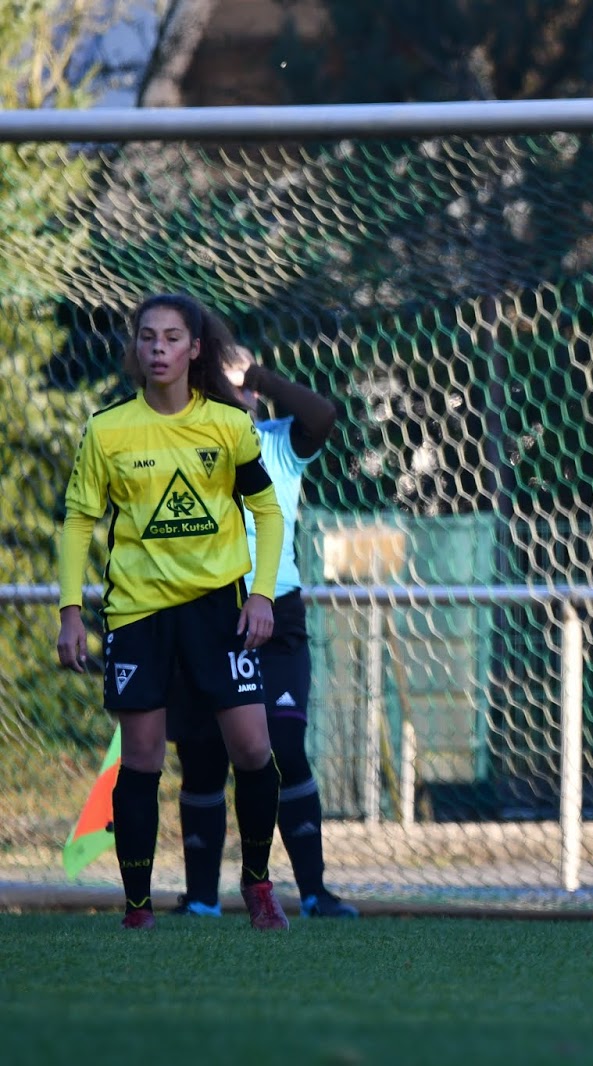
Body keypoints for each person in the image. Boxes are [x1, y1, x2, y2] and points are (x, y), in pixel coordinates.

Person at [56, 292, 290, 931]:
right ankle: (137, 907)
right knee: (143, 758)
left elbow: (266, 514)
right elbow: (79, 521)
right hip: (138, 615)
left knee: (252, 746)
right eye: (147, 338)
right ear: (135, 349)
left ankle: (259, 884)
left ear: (194, 349)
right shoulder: (108, 430)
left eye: (170, 338)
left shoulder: (228, 425)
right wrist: (70, 611)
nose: (157, 349)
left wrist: (262, 594)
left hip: (219, 610)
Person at [169, 345, 359, 919]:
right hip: (202, 614)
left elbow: (323, 413)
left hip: (274, 615)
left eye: (245, 386)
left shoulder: (280, 440)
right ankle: (203, 899)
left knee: (281, 748)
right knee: (202, 756)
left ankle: (313, 893)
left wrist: (252, 372)